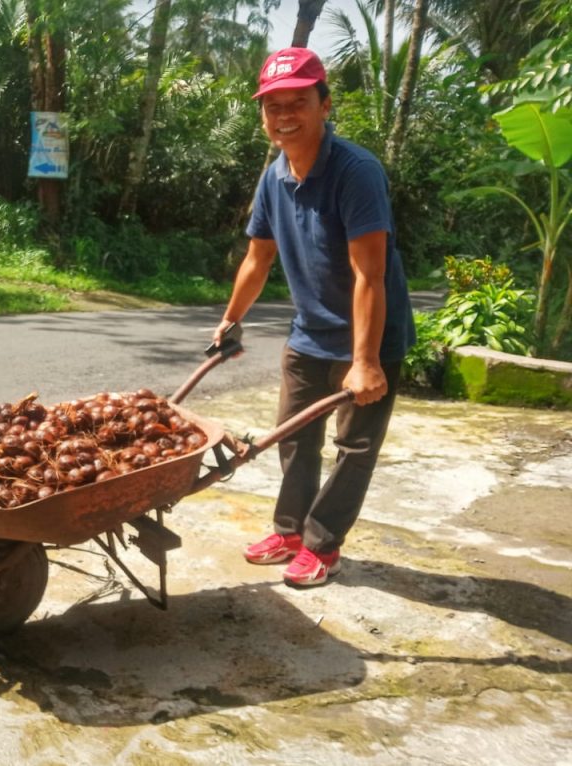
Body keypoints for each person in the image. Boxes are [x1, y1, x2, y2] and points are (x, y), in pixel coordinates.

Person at [213, 47, 416, 588]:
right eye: (273, 104)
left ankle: (323, 545)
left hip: (370, 338)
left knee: (354, 449)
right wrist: (231, 321)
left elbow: (368, 275)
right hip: (308, 335)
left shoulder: (356, 172)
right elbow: (258, 258)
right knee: (294, 437)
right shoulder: (274, 177)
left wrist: (366, 361)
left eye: (298, 102)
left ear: (324, 105)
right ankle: (290, 531)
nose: (284, 115)